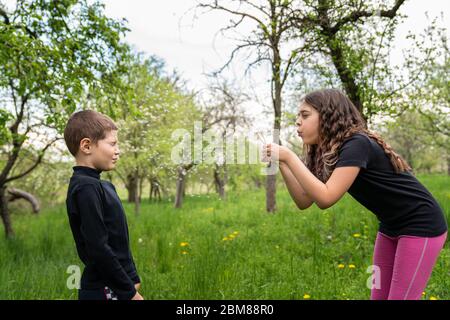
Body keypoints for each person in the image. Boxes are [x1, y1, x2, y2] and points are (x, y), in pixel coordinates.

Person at [263, 89, 447, 300]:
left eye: (305, 115)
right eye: (298, 116)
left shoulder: (356, 144)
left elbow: (326, 198)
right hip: (389, 228)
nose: (297, 122)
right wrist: (284, 161)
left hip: (421, 225)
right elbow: (304, 201)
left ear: (328, 115)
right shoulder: (327, 151)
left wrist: (289, 155)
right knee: (377, 296)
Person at [64, 110, 143, 300]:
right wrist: (130, 292)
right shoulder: (85, 188)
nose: (118, 150)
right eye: (112, 143)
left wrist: (131, 276)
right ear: (87, 146)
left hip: (117, 285)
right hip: (104, 290)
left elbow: (117, 239)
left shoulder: (103, 186)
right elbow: (97, 248)